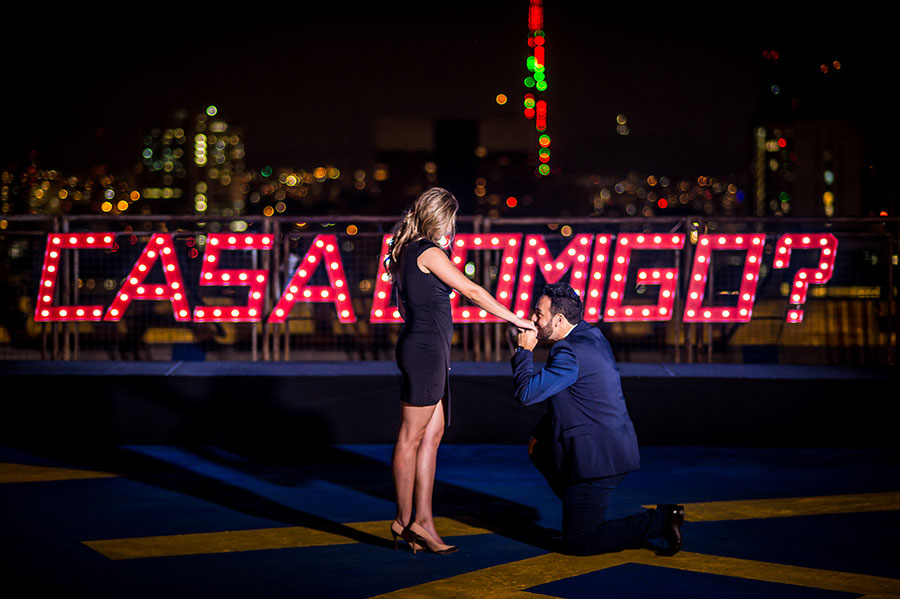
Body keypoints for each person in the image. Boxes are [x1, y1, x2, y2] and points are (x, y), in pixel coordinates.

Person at [386, 187, 536, 554]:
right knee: (411, 437)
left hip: (429, 351)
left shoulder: (413, 249)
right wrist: (518, 319)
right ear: (440, 218)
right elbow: (472, 291)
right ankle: (404, 521)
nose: (453, 228)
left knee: (432, 434)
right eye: (450, 220)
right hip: (423, 352)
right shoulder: (427, 251)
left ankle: (423, 519)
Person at [511, 282, 684, 556]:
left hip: (599, 459)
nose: (532, 319)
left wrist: (523, 352)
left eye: (538, 314)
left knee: (578, 542)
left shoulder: (568, 352)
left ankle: (662, 520)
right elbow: (576, 395)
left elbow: (527, 394)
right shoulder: (589, 334)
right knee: (540, 448)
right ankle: (580, 507)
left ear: (558, 319)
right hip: (603, 444)